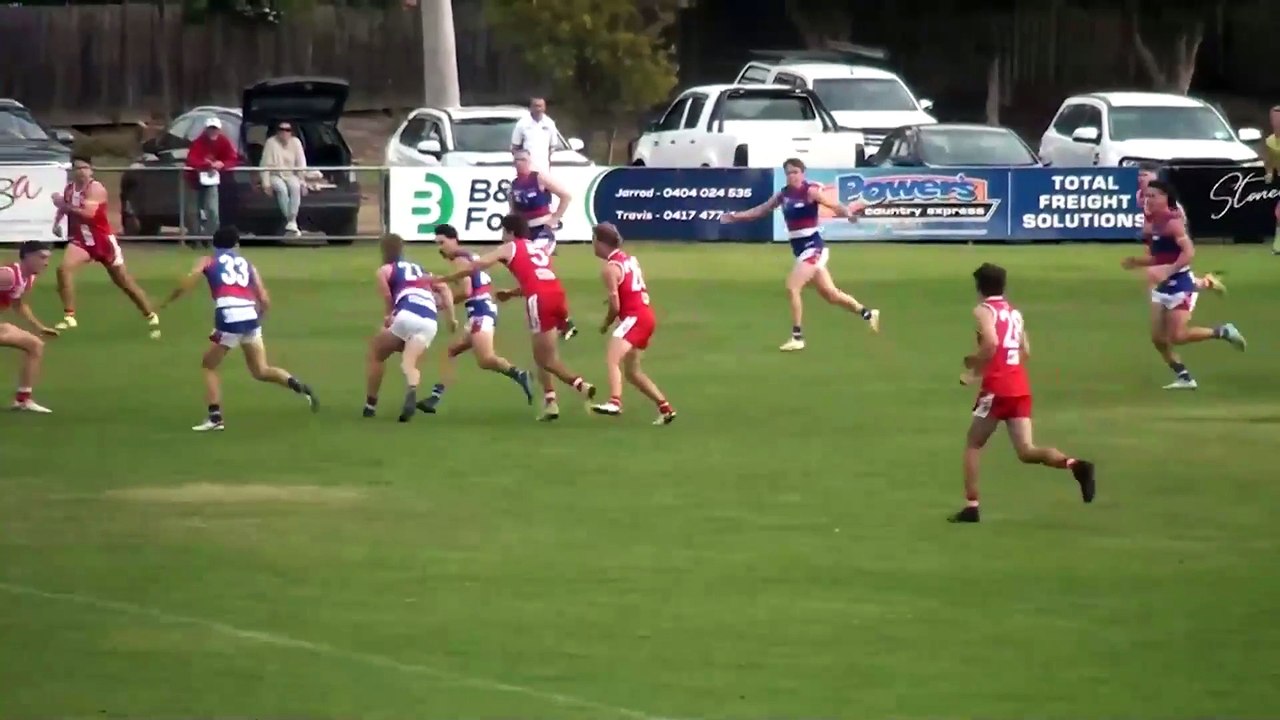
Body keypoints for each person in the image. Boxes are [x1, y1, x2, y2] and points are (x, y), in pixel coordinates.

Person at [953, 263, 1096, 523]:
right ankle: (1074, 464)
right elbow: (1025, 351)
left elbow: (992, 342)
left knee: (973, 444)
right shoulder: (1014, 313)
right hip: (1018, 386)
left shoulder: (984, 310)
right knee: (1027, 451)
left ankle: (971, 506)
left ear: (979, 287)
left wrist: (974, 367)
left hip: (996, 389)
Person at [157, 226, 317, 432]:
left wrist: (166, 302)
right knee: (261, 370)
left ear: (214, 244)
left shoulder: (207, 261)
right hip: (250, 316)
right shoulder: (248, 264)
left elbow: (187, 284)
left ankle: (215, 418)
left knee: (208, 365)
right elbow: (264, 299)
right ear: (236, 245)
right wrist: (257, 320)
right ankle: (297, 385)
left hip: (229, 316)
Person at [438, 213, 595, 421]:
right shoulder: (537, 248)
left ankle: (580, 385)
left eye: (504, 232)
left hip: (539, 301)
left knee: (544, 359)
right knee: (545, 353)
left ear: (510, 232)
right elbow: (537, 278)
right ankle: (551, 403)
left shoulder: (510, 247)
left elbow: (477, 265)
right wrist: (511, 293)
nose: (503, 237)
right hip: (557, 295)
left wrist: (446, 278)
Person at [721, 158, 880, 351]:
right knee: (831, 295)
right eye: (788, 173)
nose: (792, 176)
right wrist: (736, 216)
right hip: (801, 250)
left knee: (792, 286)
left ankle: (797, 337)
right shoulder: (784, 195)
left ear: (802, 173)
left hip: (813, 247)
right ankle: (868, 314)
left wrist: (850, 214)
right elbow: (761, 210)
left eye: (795, 172)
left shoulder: (811, 191)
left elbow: (835, 206)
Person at [1122, 179, 1246, 390]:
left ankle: (1223, 331)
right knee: (1158, 339)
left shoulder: (1173, 222)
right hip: (1161, 286)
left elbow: (1189, 252)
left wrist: (1168, 271)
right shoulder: (1153, 224)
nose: (1148, 199)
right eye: (1147, 196)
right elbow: (1160, 257)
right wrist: (1137, 262)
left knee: (1178, 336)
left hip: (1180, 285)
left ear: (1165, 198)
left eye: (1153, 196)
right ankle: (1185, 377)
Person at [420, 223, 533, 413]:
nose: (440, 247)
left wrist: (441, 304)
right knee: (451, 351)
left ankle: (520, 374)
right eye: (437, 243)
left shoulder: (459, 259)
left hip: (481, 311)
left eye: (442, 242)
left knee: (485, 359)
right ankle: (434, 398)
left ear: (454, 239)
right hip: (480, 311)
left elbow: (466, 291)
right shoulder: (469, 255)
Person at [50, 155, 161, 337]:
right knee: (63, 270)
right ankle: (69, 316)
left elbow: (88, 213)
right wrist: (57, 222)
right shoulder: (70, 189)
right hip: (82, 239)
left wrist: (63, 204)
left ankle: (150, 313)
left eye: (85, 168)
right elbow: (65, 207)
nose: (81, 172)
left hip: (102, 240)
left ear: (91, 170)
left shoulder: (96, 188)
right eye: (78, 168)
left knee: (123, 281)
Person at [587, 223, 676, 425]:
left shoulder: (609, 269)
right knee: (632, 372)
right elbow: (631, 287)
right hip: (646, 315)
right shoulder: (629, 259)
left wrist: (605, 323)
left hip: (634, 318)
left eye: (594, 240)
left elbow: (615, 307)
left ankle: (615, 402)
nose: (592, 245)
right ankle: (665, 408)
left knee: (612, 358)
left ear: (601, 243)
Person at [363, 234, 457, 422]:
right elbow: (445, 288)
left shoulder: (385, 270)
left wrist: (388, 319)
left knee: (377, 352)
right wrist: (451, 318)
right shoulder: (421, 271)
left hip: (406, 315)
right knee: (409, 361)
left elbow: (389, 299)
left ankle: (370, 405)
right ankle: (412, 388)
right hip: (430, 322)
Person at [509, 148, 577, 337]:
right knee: (538, 276)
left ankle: (559, 319)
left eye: (522, 159)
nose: (518, 163)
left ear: (529, 161)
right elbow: (513, 212)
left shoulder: (539, 178)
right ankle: (561, 319)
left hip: (543, 231)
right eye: (515, 160)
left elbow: (566, 195)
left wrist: (554, 219)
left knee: (538, 271)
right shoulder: (514, 185)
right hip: (526, 232)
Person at [1136, 162, 1224, 294]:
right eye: (1139, 175)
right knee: (1159, 270)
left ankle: (1159, 296)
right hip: (1157, 235)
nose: (1141, 178)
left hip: (1172, 234)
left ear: (1155, 177)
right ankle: (1206, 282)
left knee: (1166, 271)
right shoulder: (1140, 196)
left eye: (1145, 175)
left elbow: (1177, 216)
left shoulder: (1164, 197)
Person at [0, 241, 58, 413]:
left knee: (35, 344)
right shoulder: (7, 276)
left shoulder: (27, 278)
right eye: (41, 257)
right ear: (26, 256)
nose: (46, 263)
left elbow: (19, 304)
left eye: (48, 258)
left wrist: (40, 327)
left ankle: (23, 400)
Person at [185, 117, 239, 242]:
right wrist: (206, 164)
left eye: (215, 129)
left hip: (212, 180)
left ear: (219, 130)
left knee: (213, 210)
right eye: (210, 128)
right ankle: (196, 239)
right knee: (193, 211)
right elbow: (191, 160)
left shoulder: (223, 141)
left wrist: (222, 164)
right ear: (206, 129)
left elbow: (232, 158)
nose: (213, 131)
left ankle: (212, 238)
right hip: (194, 180)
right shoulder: (198, 142)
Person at [260, 121, 308, 236]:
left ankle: (291, 221)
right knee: (282, 189)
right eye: (281, 129)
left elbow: (301, 163)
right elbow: (264, 165)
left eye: (287, 130)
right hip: (274, 175)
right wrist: (266, 184)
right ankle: (291, 221)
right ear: (277, 131)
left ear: (291, 132)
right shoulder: (270, 143)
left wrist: (302, 181)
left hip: (290, 174)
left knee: (295, 187)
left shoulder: (296, 143)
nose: (284, 132)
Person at [509, 97, 557, 172]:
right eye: (535, 106)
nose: (538, 109)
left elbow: (552, 147)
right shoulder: (522, 124)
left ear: (544, 108)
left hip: (544, 169)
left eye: (540, 106)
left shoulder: (550, 124)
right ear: (531, 107)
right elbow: (515, 147)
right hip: (526, 170)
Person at [1262, 106, 1280, 254]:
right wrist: (1269, 173)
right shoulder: (1269, 141)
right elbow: (1270, 161)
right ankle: (1278, 245)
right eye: (1274, 119)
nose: (1277, 122)